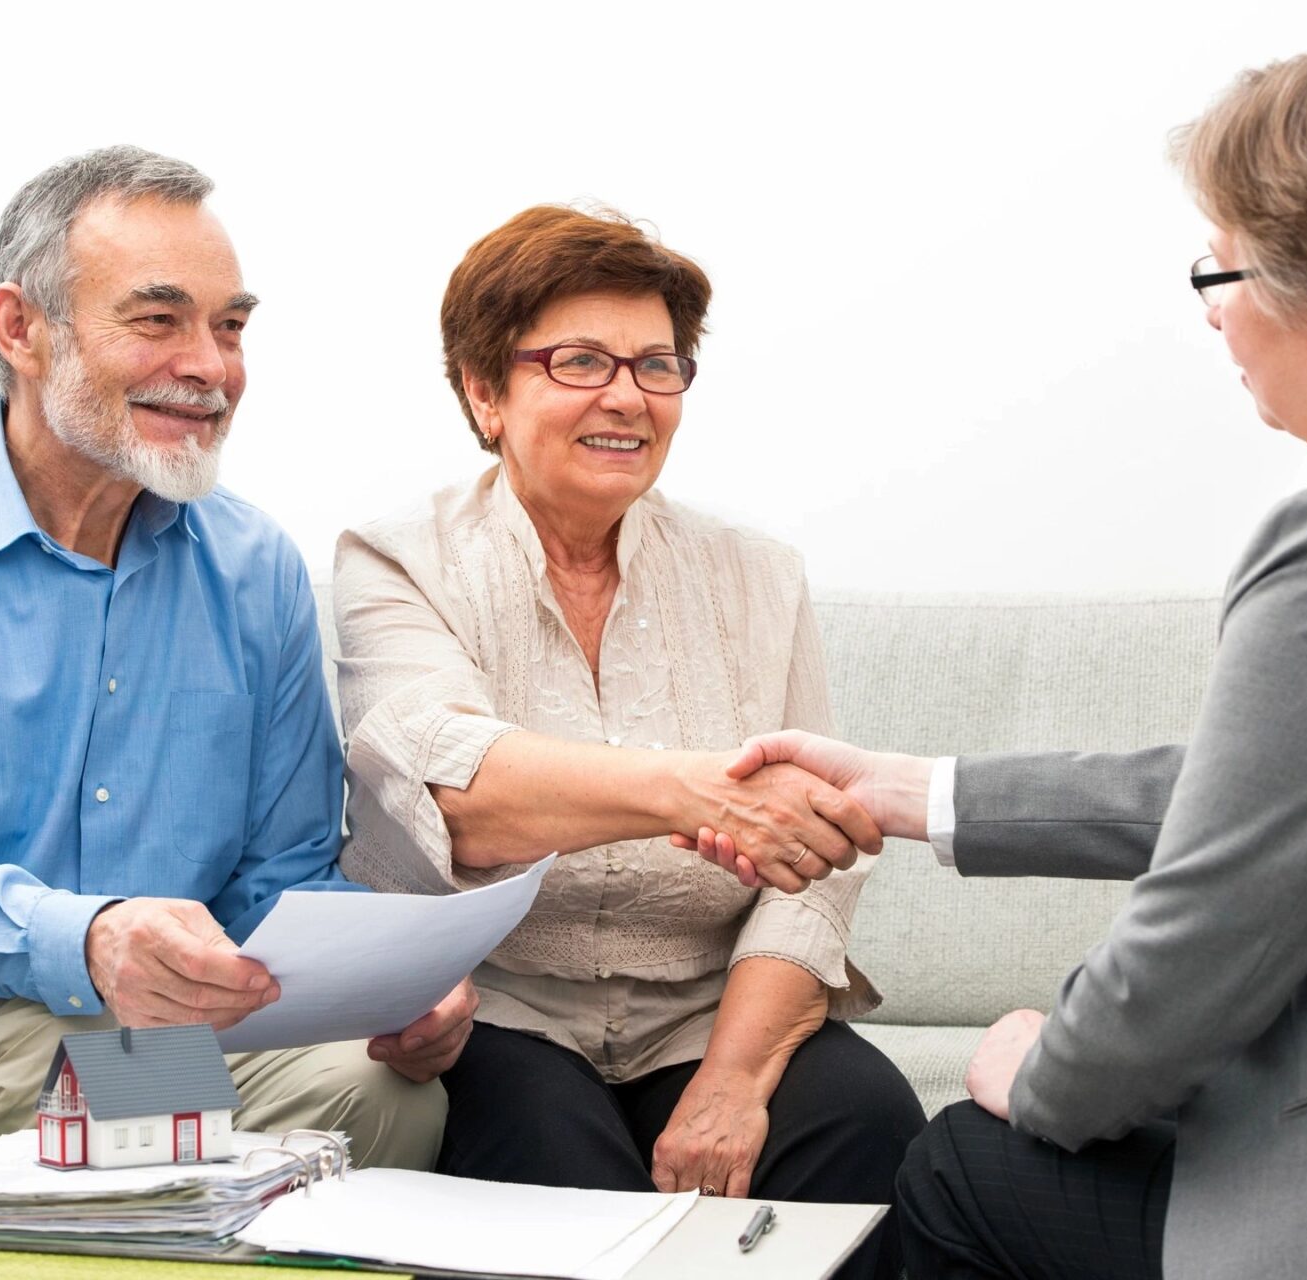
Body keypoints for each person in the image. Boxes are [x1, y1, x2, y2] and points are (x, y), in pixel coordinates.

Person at [694, 27, 1307, 1280]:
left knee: (961, 1169)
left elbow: (1200, 949)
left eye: (1223, 273)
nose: (1217, 317)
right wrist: (918, 791)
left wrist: (1039, 1064)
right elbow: (1275, 788)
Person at [0, 145, 470, 1164]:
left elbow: (279, 882)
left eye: (230, 326)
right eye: (158, 320)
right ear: (20, 328)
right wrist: (86, 937)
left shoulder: (257, 569)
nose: (209, 365)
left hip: (152, 1024)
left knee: (378, 1086)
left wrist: (391, 979)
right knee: (92, 1074)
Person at [335, 205, 923, 1277]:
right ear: (483, 389)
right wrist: (695, 793)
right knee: (555, 1172)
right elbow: (459, 788)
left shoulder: (758, 574)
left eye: (658, 365)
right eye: (579, 360)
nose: (627, 395)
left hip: (711, 1006)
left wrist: (736, 1078)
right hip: (509, 1008)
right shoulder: (396, 561)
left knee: (865, 1121)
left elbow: (816, 863)